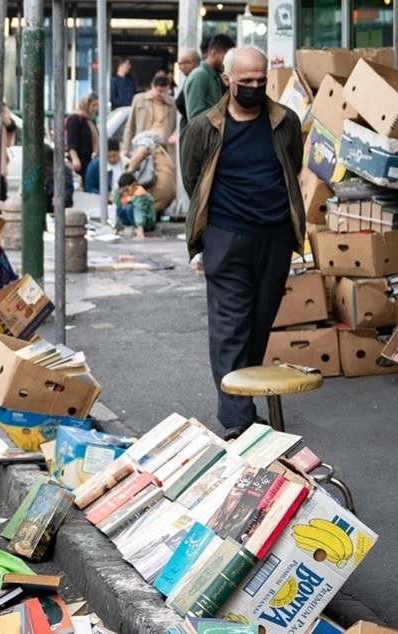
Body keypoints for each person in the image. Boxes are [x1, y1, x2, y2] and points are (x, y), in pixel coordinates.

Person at [179, 45, 304, 440]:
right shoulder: (204, 126)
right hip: (226, 237)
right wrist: (216, 223)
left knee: (258, 323)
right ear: (227, 79)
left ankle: (240, 397)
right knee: (230, 324)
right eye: (245, 80)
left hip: (275, 236)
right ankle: (238, 419)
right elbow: (192, 177)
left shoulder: (285, 122)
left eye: (260, 81)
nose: (253, 87)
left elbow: (293, 166)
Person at [184, 33, 235, 122]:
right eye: (226, 57)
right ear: (214, 53)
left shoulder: (214, 76)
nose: (228, 63)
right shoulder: (199, 76)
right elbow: (195, 118)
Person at [124, 72, 178, 151]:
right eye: (160, 91)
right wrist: (126, 147)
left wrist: (174, 135)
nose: (162, 94)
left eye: (165, 91)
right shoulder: (139, 100)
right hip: (143, 145)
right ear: (152, 86)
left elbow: (178, 125)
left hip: (165, 148)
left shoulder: (173, 103)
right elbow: (130, 126)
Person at [65, 92, 100, 180]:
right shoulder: (76, 119)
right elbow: (71, 142)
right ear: (86, 105)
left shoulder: (91, 120)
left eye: (97, 105)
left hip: (90, 159)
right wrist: (75, 159)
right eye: (93, 105)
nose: (95, 108)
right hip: (80, 161)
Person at [116, 172, 155, 237]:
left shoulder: (140, 194)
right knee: (120, 209)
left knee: (129, 208)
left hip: (146, 221)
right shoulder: (127, 194)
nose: (125, 192)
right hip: (135, 218)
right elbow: (117, 202)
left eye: (126, 190)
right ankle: (130, 227)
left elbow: (139, 210)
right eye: (123, 191)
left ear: (134, 185)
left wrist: (140, 227)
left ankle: (138, 228)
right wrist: (118, 191)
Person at [175, 48, 201, 129]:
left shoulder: (197, 79)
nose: (179, 68)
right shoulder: (191, 79)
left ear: (191, 63)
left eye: (180, 64)